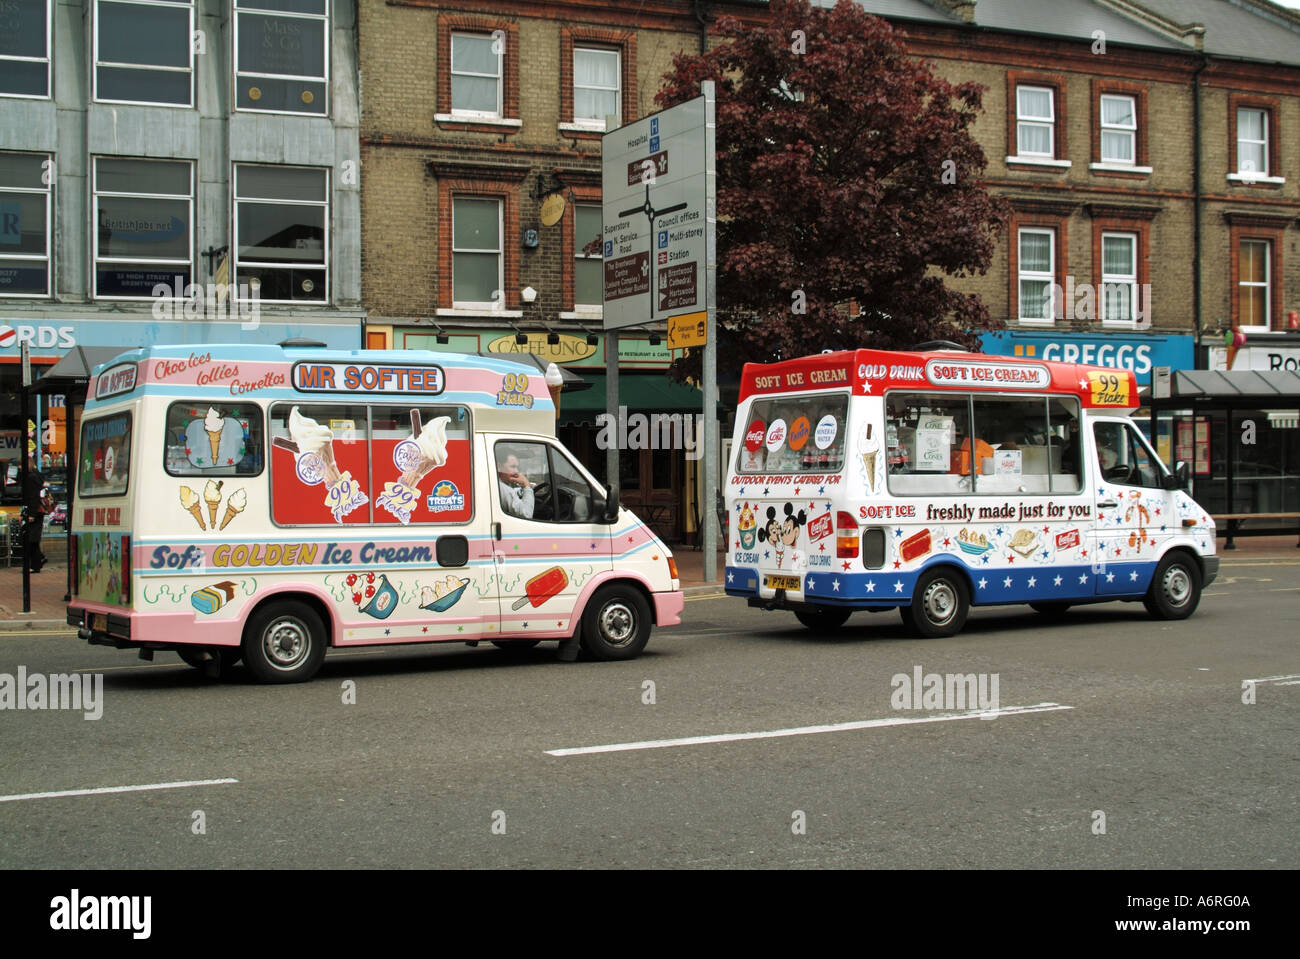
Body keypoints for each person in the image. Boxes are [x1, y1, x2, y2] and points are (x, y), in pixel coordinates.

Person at [23, 457, 48, 573]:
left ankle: (36, 563)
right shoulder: (37, 475)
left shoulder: (31, 477)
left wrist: (31, 514)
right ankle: (38, 560)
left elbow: (33, 497)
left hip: (35, 511)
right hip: (38, 511)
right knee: (33, 538)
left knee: (31, 538)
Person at [497, 452, 536, 519]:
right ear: (499, 467)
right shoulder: (504, 489)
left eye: (517, 467)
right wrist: (526, 486)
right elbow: (526, 514)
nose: (516, 471)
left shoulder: (499, 484)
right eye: (513, 467)